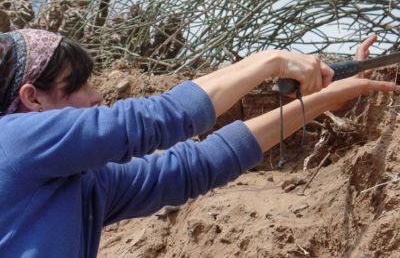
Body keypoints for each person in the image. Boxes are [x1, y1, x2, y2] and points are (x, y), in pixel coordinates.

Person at [0, 29, 395, 257]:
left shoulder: (80, 184)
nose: (96, 96)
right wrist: (269, 62)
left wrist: (322, 100)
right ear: (33, 98)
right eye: (80, 85)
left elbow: (197, 164)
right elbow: (157, 118)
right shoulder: (12, 140)